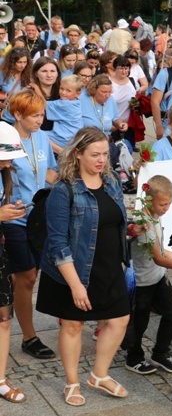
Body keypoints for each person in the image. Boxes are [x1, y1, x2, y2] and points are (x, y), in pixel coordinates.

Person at [36, 127, 132, 406]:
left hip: (109, 266)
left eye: (105, 154)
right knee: (73, 325)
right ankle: (72, 383)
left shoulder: (112, 182)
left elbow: (113, 221)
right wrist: (76, 285)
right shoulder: (63, 190)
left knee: (119, 319)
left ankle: (99, 375)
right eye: (95, 155)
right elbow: (57, 243)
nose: (102, 160)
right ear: (77, 154)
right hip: (73, 271)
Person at [3, 89, 57, 360]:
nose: (40, 119)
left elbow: (47, 171)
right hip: (13, 218)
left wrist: (68, 183)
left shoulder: (43, 137)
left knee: (28, 276)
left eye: (42, 114)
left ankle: (10, 304)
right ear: (17, 114)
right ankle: (29, 337)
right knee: (27, 277)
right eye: (35, 115)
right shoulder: (6, 140)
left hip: (39, 218)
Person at [126, 175, 172, 375]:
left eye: (169, 204)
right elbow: (157, 258)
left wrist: (168, 252)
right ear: (149, 201)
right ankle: (134, 357)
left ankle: (160, 352)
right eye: (163, 204)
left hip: (158, 277)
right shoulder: (144, 222)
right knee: (139, 323)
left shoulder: (155, 217)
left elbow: (158, 249)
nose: (166, 208)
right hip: (143, 282)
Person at [0, 122, 29, 404]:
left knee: (4, 318)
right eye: (4, 156)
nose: (7, 162)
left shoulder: (4, 173)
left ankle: (0, 378)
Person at [45, 74, 84, 154]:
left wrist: (35, 87)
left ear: (77, 94)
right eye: (61, 88)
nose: (63, 92)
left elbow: (41, 103)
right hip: (72, 137)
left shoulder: (66, 104)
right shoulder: (77, 102)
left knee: (35, 134)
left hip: (63, 138)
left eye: (68, 90)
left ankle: (63, 153)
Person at [27, 57, 61, 132]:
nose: (49, 75)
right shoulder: (28, 95)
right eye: (44, 71)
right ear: (36, 74)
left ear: (57, 73)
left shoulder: (64, 95)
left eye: (52, 71)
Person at [0, 48, 32, 124]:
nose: (22, 65)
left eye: (25, 62)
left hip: (22, 119)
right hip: (5, 117)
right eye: (19, 62)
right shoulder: (3, 75)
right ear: (12, 62)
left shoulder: (30, 76)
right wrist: (4, 96)